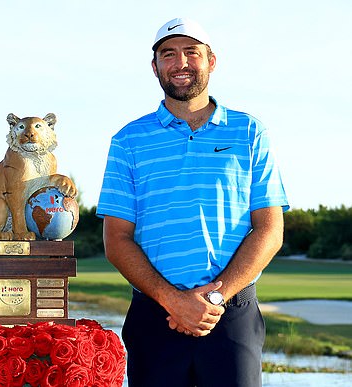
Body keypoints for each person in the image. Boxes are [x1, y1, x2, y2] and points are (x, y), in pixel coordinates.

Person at [97, 18, 288, 387]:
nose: (180, 63)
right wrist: (173, 300)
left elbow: (270, 228)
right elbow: (117, 239)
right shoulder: (128, 140)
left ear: (211, 61)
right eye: (168, 54)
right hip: (155, 315)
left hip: (231, 314)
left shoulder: (250, 132)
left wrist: (214, 296)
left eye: (191, 52)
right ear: (155, 67)